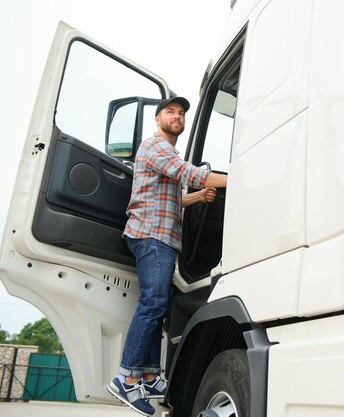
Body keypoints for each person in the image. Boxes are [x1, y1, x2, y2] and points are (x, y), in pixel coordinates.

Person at [107, 96, 227, 416]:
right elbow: (189, 173)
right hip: (151, 235)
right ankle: (127, 378)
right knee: (152, 304)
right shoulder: (156, 146)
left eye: (181, 113)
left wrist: (199, 197)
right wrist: (235, 179)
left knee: (157, 307)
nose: (177, 116)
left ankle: (148, 374)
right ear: (157, 119)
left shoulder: (168, 153)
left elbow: (172, 199)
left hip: (161, 237)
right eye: (170, 112)